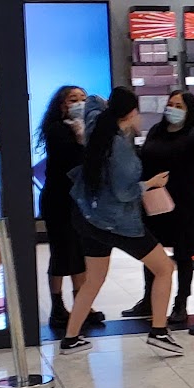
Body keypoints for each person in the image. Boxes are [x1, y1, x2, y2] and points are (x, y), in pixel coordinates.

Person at [61, 87, 182, 357]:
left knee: (94, 279)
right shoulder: (120, 150)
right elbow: (125, 192)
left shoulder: (96, 126)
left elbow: (92, 102)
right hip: (118, 223)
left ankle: (71, 338)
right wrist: (151, 183)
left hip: (89, 217)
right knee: (164, 268)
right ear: (130, 114)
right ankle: (159, 331)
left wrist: (107, 105)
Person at [122, 91, 194, 329]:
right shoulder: (157, 131)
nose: (173, 109)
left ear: (189, 110)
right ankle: (148, 299)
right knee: (151, 251)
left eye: (179, 106)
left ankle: (181, 303)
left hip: (185, 202)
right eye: (170, 104)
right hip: (155, 199)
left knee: (183, 254)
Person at [37, 85, 105, 334]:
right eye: (72, 99)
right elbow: (71, 159)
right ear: (62, 105)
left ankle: (81, 304)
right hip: (58, 200)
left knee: (80, 252)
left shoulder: (89, 129)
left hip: (80, 201)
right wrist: (81, 137)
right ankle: (57, 307)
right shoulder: (57, 130)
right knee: (61, 252)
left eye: (83, 99)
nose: (79, 103)